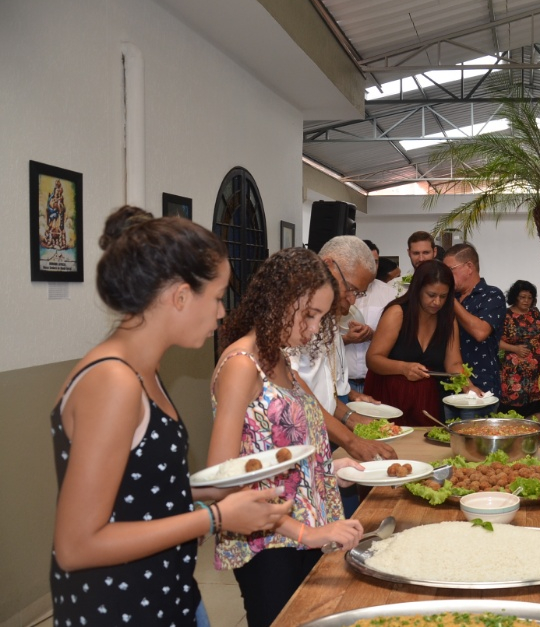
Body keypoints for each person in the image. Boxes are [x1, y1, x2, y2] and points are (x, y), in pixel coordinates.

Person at [50, 206, 291, 627]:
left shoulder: (144, 373)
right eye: (217, 298)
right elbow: (77, 545)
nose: (221, 313)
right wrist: (217, 518)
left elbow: (135, 493)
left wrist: (207, 494)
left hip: (167, 593)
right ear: (180, 296)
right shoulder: (114, 382)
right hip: (120, 609)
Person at [208, 248, 366, 627]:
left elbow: (276, 451)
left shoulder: (279, 359)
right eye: (309, 315)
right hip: (268, 542)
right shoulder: (242, 366)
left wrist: (330, 469)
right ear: (280, 298)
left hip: (300, 534)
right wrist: (306, 533)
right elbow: (223, 479)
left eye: (321, 318)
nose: (313, 329)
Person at [291, 236, 397, 462]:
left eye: (358, 294)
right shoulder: (294, 320)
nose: (352, 301)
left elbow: (325, 392)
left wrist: (351, 416)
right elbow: (298, 393)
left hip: (324, 436)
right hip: (298, 443)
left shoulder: (327, 317)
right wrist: (351, 441)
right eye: (350, 289)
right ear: (329, 266)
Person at [365, 260, 479, 426]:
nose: (437, 302)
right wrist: (403, 368)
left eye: (443, 296)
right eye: (431, 295)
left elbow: (453, 363)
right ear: (417, 290)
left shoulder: (448, 319)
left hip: (427, 400)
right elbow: (373, 359)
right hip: (388, 398)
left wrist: (468, 386)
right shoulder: (397, 313)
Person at [443, 243, 507, 419]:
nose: (446, 277)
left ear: (469, 267)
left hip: (482, 384)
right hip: (449, 382)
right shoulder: (450, 297)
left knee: (479, 442)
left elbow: (481, 332)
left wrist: (451, 301)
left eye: (450, 270)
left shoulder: (492, 295)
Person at [344, 240, 400, 394]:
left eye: (375, 262)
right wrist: (345, 339)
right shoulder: (339, 294)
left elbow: (400, 338)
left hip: (378, 380)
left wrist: (375, 335)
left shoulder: (391, 295)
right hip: (344, 382)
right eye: (366, 262)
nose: (371, 267)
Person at [499, 280, 540, 420]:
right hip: (514, 373)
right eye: (522, 297)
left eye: (529, 298)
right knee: (513, 411)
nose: (526, 301)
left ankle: (539, 438)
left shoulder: (535, 314)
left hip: (538, 371)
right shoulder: (505, 315)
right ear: (514, 297)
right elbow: (495, 341)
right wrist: (514, 349)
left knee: (539, 406)